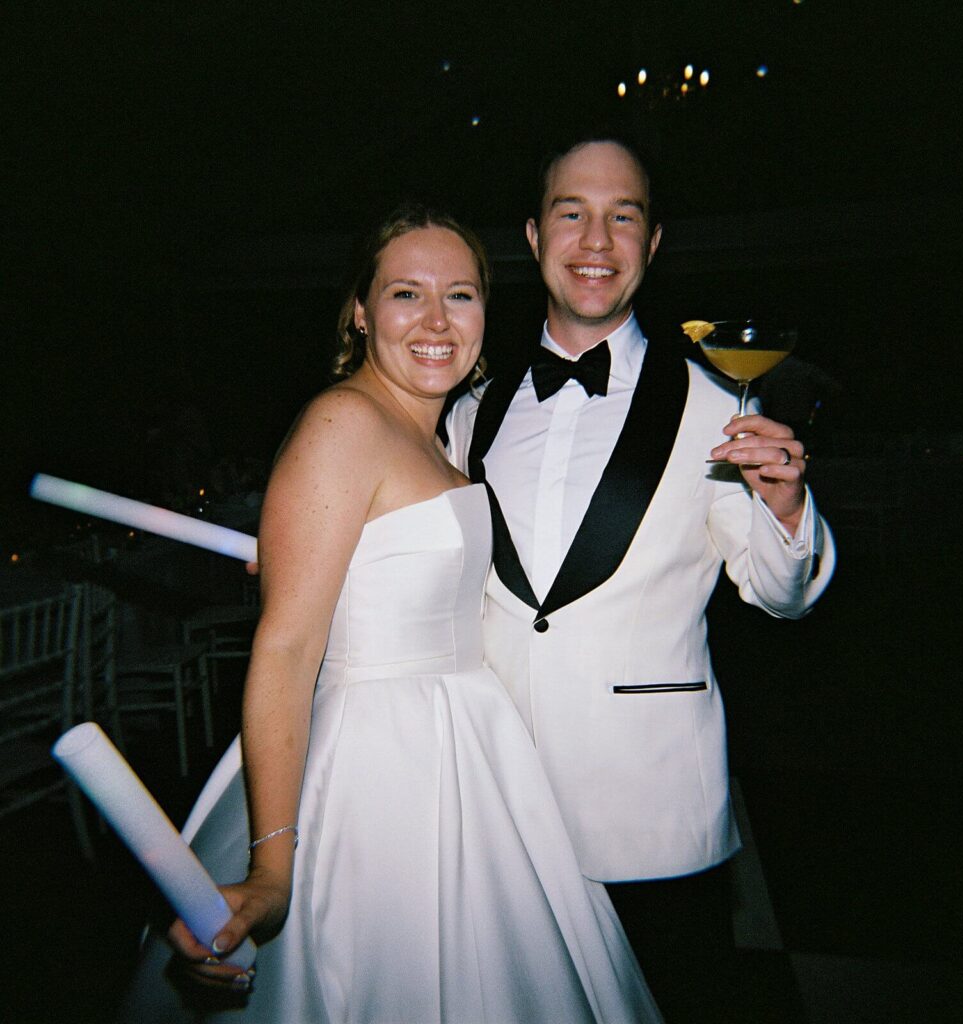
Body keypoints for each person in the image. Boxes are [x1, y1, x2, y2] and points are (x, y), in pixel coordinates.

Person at [119, 206, 662, 1024]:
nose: (438, 321)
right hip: (378, 766)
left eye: (463, 295)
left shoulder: (437, 436)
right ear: (361, 312)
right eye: (407, 293)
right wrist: (273, 869)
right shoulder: (345, 422)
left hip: (472, 750)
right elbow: (288, 650)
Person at [446, 137, 837, 1020]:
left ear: (652, 243)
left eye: (623, 215)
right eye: (570, 212)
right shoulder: (471, 411)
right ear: (533, 235)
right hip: (499, 801)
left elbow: (783, 591)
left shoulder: (717, 405)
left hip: (652, 807)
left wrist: (785, 508)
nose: (596, 238)